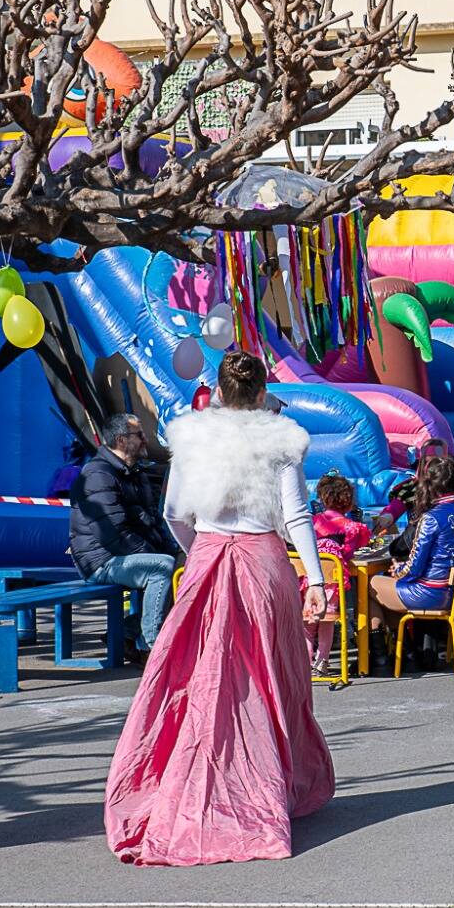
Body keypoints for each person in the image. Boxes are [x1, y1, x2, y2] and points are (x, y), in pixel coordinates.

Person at [103, 351, 332, 867]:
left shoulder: (190, 435)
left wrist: (201, 549)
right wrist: (315, 578)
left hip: (209, 556)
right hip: (263, 562)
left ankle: (193, 780)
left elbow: (174, 513)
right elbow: (296, 515)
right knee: (268, 676)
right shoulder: (284, 438)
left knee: (196, 676)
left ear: (220, 391)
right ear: (260, 392)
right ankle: (271, 783)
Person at [68, 413, 179, 658]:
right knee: (161, 567)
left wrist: (174, 551)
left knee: (184, 566)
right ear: (121, 440)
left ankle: (125, 631)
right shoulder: (98, 476)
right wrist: (156, 554)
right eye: (139, 435)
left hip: (126, 554)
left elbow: (152, 520)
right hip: (101, 561)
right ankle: (150, 646)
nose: (145, 440)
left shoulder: (134, 473)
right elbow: (112, 534)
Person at [368, 453, 454, 662]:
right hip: (449, 591)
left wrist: (398, 571)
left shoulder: (431, 517)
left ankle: (382, 656)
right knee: (387, 590)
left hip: (427, 591)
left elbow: (414, 567)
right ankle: (405, 653)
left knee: (370, 585)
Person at [307, 473, 372, 674]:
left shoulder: (312, 523)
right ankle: (323, 660)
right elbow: (349, 553)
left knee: (308, 622)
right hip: (332, 582)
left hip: (308, 581)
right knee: (327, 620)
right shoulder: (351, 527)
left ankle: (304, 659)